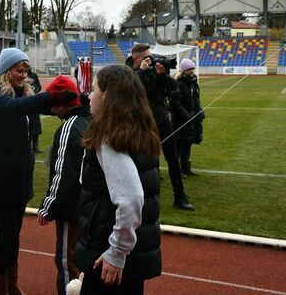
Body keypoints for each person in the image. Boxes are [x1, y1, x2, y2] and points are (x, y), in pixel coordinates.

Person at [0, 47, 77, 294]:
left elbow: (43, 108)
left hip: (20, 172)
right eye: (19, 70)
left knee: (15, 232)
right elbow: (13, 108)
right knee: (6, 233)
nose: (24, 75)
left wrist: (78, 100)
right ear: (5, 70)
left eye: (26, 71)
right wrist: (51, 97)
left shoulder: (24, 91)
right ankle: (2, 288)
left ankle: (12, 284)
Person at [74, 65, 162, 294]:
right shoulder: (138, 130)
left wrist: (116, 252)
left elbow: (132, 198)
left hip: (108, 258)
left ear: (107, 97)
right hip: (130, 257)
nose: (89, 95)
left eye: (93, 90)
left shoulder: (109, 137)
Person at [37, 75, 91, 295]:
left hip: (73, 209)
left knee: (69, 263)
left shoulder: (69, 128)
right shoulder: (89, 120)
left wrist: (48, 207)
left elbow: (64, 173)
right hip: (90, 206)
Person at [129, 43, 194, 211]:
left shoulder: (154, 70)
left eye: (150, 56)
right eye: (146, 57)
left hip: (162, 118)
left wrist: (162, 75)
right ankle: (149, 198)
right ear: (136, 59)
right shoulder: (130, 72)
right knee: (149, 162)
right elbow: (131, 91)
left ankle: (180, 197)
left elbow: (173, 88)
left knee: (172, 158)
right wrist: (141, 72)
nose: (150, 59)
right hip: (143, 122)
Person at [170, 58, 204, 177]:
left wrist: (200, 112)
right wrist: (186, 116)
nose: (192, 71)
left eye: (193, 68)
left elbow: (196, 101)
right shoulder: (178, 84)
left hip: (192, 121)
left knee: (188, 143)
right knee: (178, 146)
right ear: (184, 70)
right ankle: (177, 170)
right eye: (189, 69)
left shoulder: (194, 84)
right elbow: (175, 104)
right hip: (181, 121)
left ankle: (186, 168)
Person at [27, 68, 43, 154]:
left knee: (36, 124)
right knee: (26, 124)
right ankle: (28, 146)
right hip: (24, 102)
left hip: (34, 101)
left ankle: (36, 146)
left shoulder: (33, 75)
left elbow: (38, 87)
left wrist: (33, 91)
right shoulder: (20, 75)